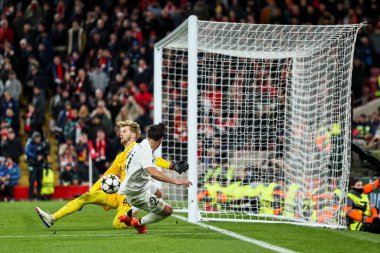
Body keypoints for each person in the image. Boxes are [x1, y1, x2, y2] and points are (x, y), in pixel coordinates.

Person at [35, 120, 188, 229]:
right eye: (120, 131)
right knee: (85, 197)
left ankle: (134, 215)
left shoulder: (139, 148)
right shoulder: (120, 156)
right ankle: (51, 218)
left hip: (128, 197)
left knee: (117, 225)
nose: (121, 134)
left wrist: (171, 165)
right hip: (116, 192)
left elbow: (154, 161)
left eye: (124, 131)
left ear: (133, 135)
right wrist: (91, 190)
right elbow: (106, 176)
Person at [118, 123, 192, 234]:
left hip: (133, 184)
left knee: (158, 193)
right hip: (136, 193)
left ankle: (128, 215)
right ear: (160, 140)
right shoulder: (146, 150)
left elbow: (152, 160)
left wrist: (172, 165)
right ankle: (138, 223)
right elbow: (153, 172)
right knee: (168, 210)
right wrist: (175, 181)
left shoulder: (142, 144)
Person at [25, 131, 49, 200]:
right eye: (36, 138)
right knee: (32, 181)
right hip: (33, 165)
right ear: (33, 138)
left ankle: (38, 197)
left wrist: (42, 156)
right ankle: (30, 197)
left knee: (39, 181)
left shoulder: (43, 144)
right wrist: (36, 157)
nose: (38, 139)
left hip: (40, 165)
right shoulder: (30, 145)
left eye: (39, 137)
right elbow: (28, 152)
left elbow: (45, 152)